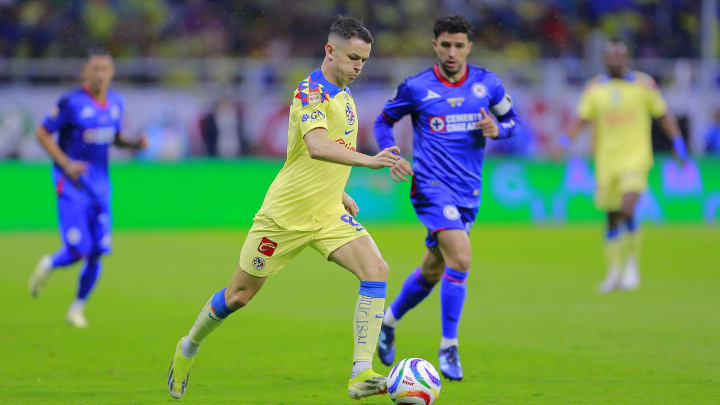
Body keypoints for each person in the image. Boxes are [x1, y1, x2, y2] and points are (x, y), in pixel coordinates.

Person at [166, 16, 400, 400]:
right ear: (330, 51)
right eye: (353, 58)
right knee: (239, 296)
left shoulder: (345, 92)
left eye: (364, 60)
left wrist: (339, 193)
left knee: (376, 269)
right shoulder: (310, 92)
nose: (358, 67)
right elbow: (316, 146)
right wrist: (369, 160)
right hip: (284, 216)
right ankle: (189, 345)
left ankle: (361, 372)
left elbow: (318, 156)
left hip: (327, 213)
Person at [373, 15, 520, 381]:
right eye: (445, 45)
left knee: (433, 270)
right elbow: (382, 122)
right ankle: (449, 346)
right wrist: (392, 152)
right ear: (435, 45)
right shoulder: (417, 87)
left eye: (459, 45)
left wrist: (497, 129)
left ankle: (388, 323)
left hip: (468, 191)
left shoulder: (488, 84)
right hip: (429, 186)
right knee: (462, 257)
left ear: (469, 46)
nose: (452, 52)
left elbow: (513, 121)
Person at [27, 49, 147, 328]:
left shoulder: (117, 102)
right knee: (79, 248)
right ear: (85, 72)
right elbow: (42, 132)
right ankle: (49, 264)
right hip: (72, 184)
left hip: (101, 186)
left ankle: (77, 309)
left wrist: (134, 144)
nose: (99, 74)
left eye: (105, 68)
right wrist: (66, 164)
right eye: (94, 68)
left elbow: (114, 138)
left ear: (112, 73)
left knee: (97, 251)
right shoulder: (71, 102)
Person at [565, 39, 688, 293]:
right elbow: (582, 119)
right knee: (611, 218)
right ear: (604, 60)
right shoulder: (595, 89)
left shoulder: (644, 85)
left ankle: (632, 266)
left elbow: (663, 115)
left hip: (636, 159)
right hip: (606, 162)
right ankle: (614, 272)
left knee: (627, 207)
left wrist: (677, 142)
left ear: (627, 58)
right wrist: (563, 140)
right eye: (610, 55)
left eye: (619, 55)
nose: (615, 59)